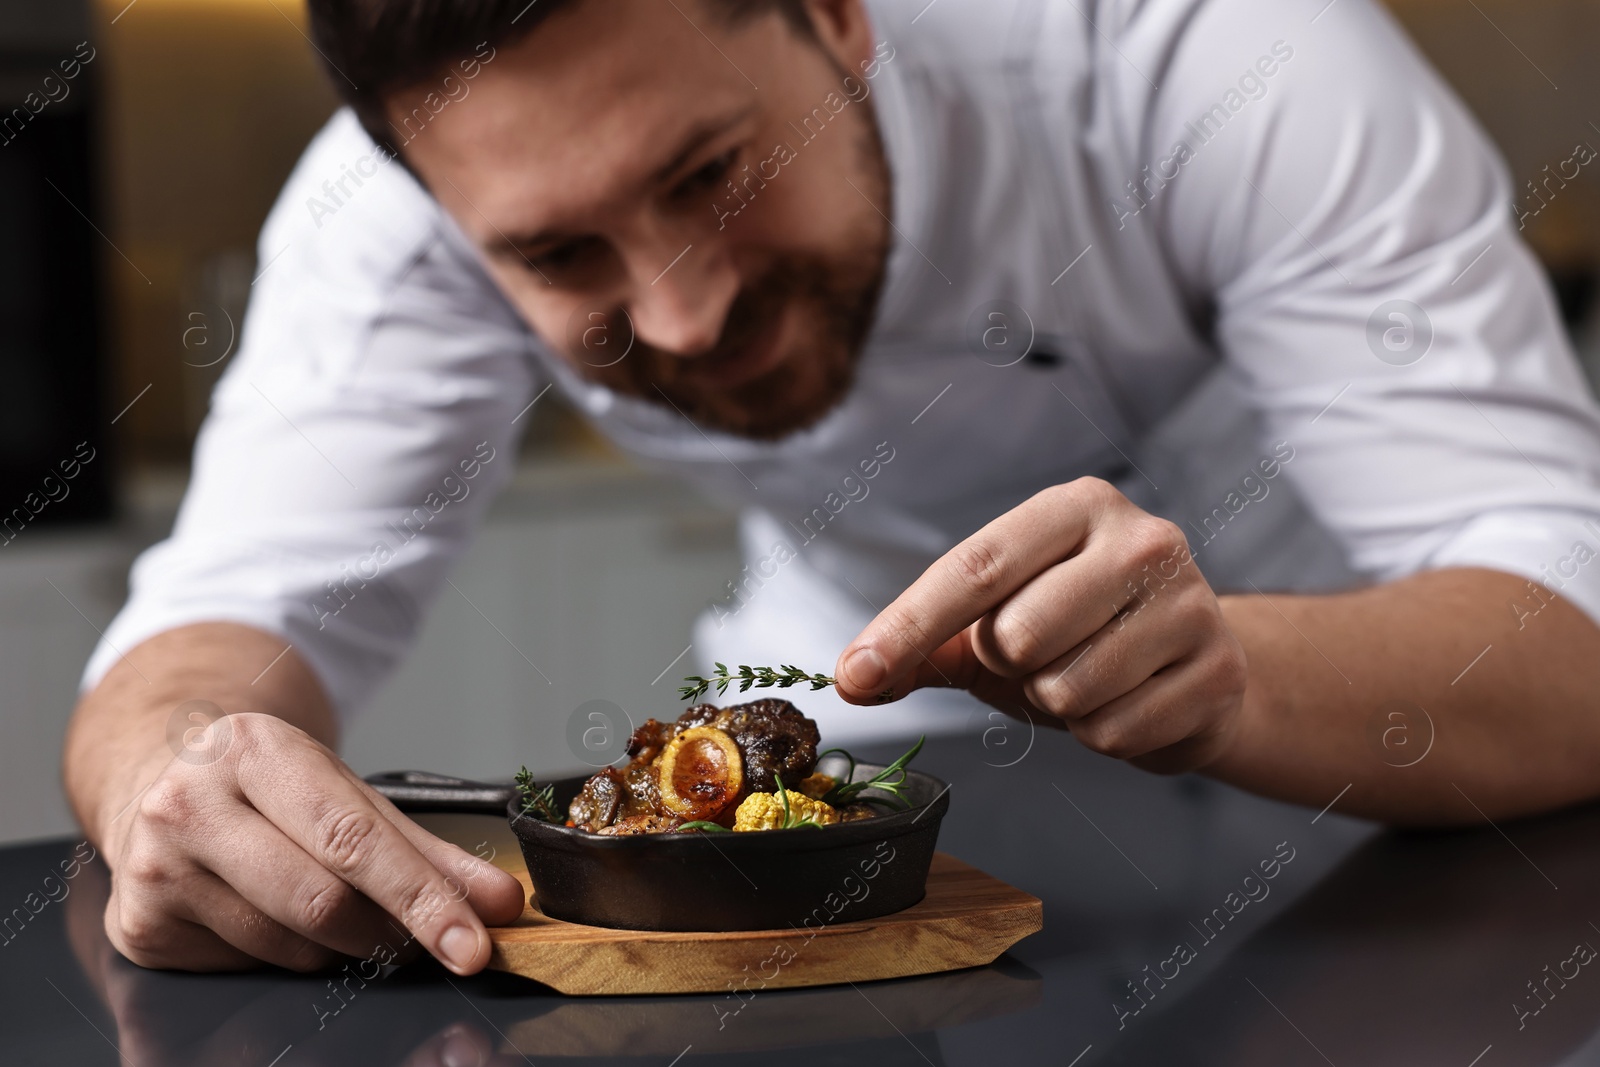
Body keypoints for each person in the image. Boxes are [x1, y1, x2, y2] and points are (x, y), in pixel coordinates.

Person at [63, 0, 1600, 976]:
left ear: (838, 18)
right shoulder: (396, 213)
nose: (678, 317)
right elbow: (218, 619)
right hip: (870, 759)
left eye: (710, 174)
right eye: (558, 255)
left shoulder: (1207, 48)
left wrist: (1231, 671)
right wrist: (175, 783)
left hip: (1388, 740)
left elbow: (1570, 627)